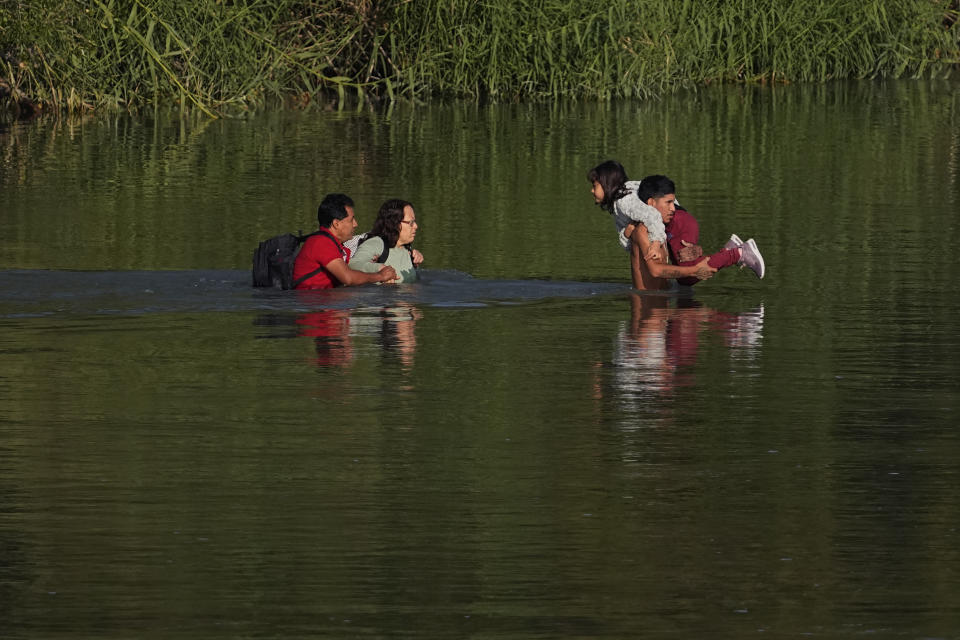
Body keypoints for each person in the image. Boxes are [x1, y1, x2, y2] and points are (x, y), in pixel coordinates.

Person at [588, 161, 716, 290]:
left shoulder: (627, 206)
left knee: (686, 267)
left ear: (607, 184)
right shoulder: (629, 196)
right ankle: (724, 256)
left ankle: (731, 254)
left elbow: (652, 215)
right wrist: (626, 234)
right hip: (676, 219)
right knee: (685, 261)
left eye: (595, 185)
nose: (592, 190)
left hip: (650, 299)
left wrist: (655, 243)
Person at [636, 175, 765, 284]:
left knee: (689, 273)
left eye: (673, 202)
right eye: (668, 203)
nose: (673, 208)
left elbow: (656, 270)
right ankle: (729, 250)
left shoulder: (667, 216)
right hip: (675, 225)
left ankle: (739, 254)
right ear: (651, 202)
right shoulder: (638, 214)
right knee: (684, 280)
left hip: (682, 224)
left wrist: (694, 269)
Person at [292, 194, 397, 290]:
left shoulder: (335, 244)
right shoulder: (321, 243)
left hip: (321, 301)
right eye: (351, 220)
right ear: (336, 224)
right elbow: (348, 278)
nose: (355, 224)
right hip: (312, 304)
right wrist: (380, 276)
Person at [349, 199, 422, 284]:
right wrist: (379, 268)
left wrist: (415, 264)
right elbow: (352, 265)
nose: (416, 226)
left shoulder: (407, 249)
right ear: (395, 223)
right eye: (411, 222)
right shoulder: (376, 243)